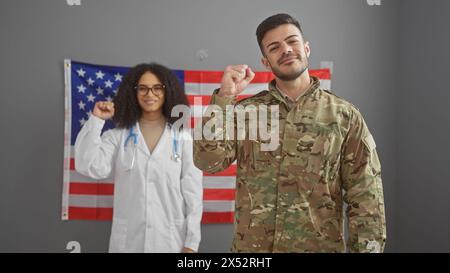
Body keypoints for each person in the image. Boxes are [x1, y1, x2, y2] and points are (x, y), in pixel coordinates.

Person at [193, 13, 386, 253]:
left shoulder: (345, 116)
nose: (285, 50)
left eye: (292, 41)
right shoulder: (246, 112)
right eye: (274, 47)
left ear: (306, 48)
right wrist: (223, 98)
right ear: (266, 62)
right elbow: (207, 162)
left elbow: (365, 196)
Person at [75, 63, 203, 253]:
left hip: (170, 241)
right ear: (133, 93)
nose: (149, 94)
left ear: (168, 91)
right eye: (142, 88)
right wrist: (97, 120)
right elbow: (90, 166)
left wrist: (191, 243)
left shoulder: (183, 139)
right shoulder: (118, 136)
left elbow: (193, 194)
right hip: (128, 242)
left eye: (157, 88)